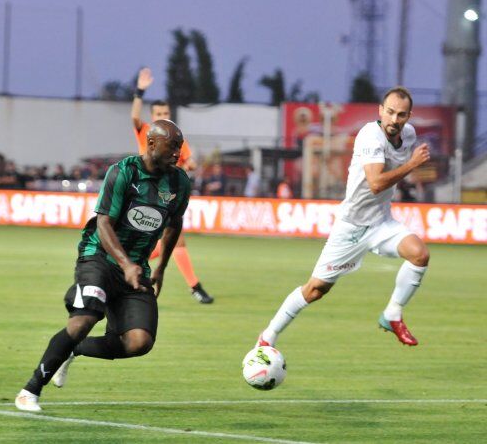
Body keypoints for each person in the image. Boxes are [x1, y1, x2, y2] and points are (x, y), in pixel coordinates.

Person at [15, 120, 191, 412]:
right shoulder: (124, 172)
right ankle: (29, 391)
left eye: (179, 147)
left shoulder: (180, 182)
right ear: (151, 143)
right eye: (172, 146)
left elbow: (175, 224)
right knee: (84, 320)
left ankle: (74, 349)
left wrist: (160, 268)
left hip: (136, 269)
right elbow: (104, 223)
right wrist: (125, 264)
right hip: (99, 258)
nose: (177, 153)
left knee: (139, 342)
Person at [255, 86, 431, 349]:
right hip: (351, 227)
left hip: (381, 222)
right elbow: (375, 184)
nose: (395, 119)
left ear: (409, 116)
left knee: (419, 255)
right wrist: (412, 165)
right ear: (380, 111)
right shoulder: (370, 136)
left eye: (401, 115)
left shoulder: (409, 135)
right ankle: (268, 336)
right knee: (315, 290)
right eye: (390, 112)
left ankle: (392, 314)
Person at [131, 67, 212, 304]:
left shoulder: (176, 137)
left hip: (167, 193)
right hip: (148, 192)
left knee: (167, 241)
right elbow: (134, 118)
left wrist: (191, 164)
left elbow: (187, 161)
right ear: (152, 115)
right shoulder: (147, 132)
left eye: (165, 112)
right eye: (158, 113)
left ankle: (126, 262)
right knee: (174, 240)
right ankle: (195, 287)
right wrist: (139, 91)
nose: (162, 115)